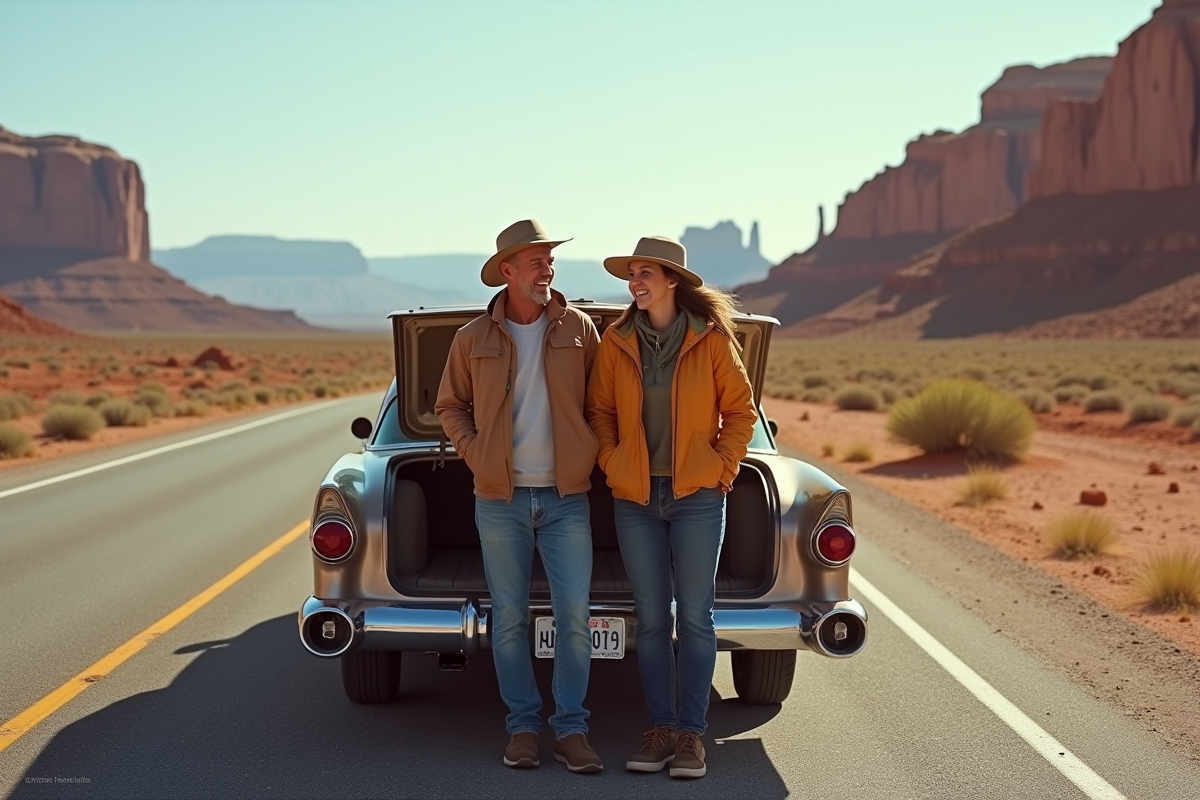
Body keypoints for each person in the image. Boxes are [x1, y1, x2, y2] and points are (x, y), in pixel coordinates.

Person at [435, 219, 603, 773]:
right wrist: (476, 452)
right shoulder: (471, 339)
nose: (548, 269)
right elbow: (449, 406)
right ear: (507, 271)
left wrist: (589, 449)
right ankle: (523, 728)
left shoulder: (578, 328)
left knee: (574, 617)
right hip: (499, 500)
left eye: (551, 260)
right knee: (508, 619)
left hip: (565, 498)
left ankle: (572, 730)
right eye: (537, 261)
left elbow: (603, 402)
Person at [585, 235, 757, 780]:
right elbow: (600, 411)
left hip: (697, 498)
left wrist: (721, 468)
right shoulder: (616, 342)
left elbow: (741, 411)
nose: (635, 283)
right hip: (636, 497)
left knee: (697, 618)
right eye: (631, 274)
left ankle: (691, 737)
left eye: (645, 274)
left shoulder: (710, 339)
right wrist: (613, 462)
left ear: (672, 282)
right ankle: (660, 730)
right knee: (654, 620)